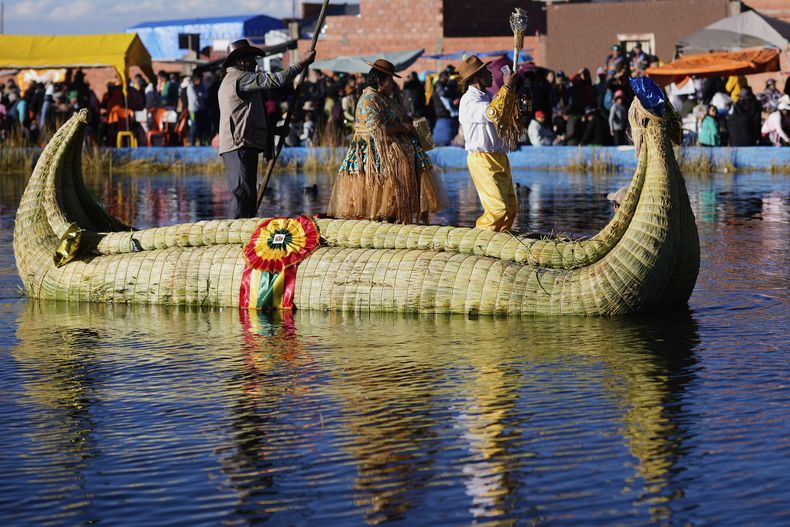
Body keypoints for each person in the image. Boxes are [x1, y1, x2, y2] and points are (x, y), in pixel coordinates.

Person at [328, 59, 447, 223]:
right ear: (379, 80)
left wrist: (409, 121)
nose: (392, 83)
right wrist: (401, 128)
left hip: (396, 144)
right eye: (390, 80)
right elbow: (375, 131)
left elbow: (394, 117)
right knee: (391, 179)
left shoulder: (384, 97)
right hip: (376, 151)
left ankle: (396, 217)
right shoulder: (369, 99)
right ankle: (383, 217)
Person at [218, 39, 316, 218]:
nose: (255, 63)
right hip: (238, 144)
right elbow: (276, 80)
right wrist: (301, 64)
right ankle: (235, 233)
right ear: (241, 61)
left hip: (242, 142)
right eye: (251, 59)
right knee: (242, 193)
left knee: (247, 192)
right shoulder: (239, 78)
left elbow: (246, 116)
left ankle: (245, 229)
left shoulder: (234, 79)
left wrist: (274, 131)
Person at [458, 55, 519, 232]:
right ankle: (479, 238)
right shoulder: (469, 100)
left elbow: (502, 113)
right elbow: (492, 112)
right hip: (482, 159)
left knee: (510, 208)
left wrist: (513, 90)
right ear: (476, 77)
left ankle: (501, 238)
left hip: (499, 156)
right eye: (485, 71)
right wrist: (506, 87)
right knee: (497, 208)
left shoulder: (488, 96)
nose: (491, 74)